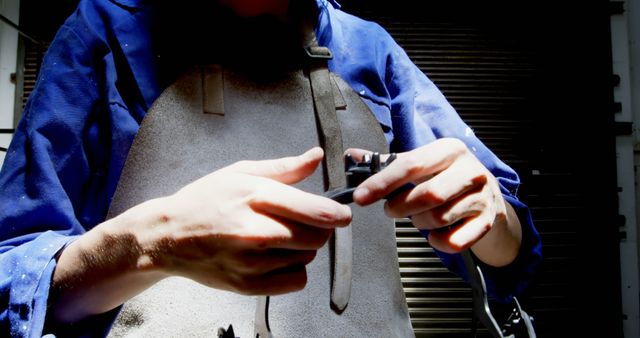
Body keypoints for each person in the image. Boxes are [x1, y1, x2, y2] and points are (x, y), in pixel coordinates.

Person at [0, 0, 542, 336]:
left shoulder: (366, 49)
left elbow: (508, 257)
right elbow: (13, 277)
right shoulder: (105, 35)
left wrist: (487, 217)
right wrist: (153, 243)